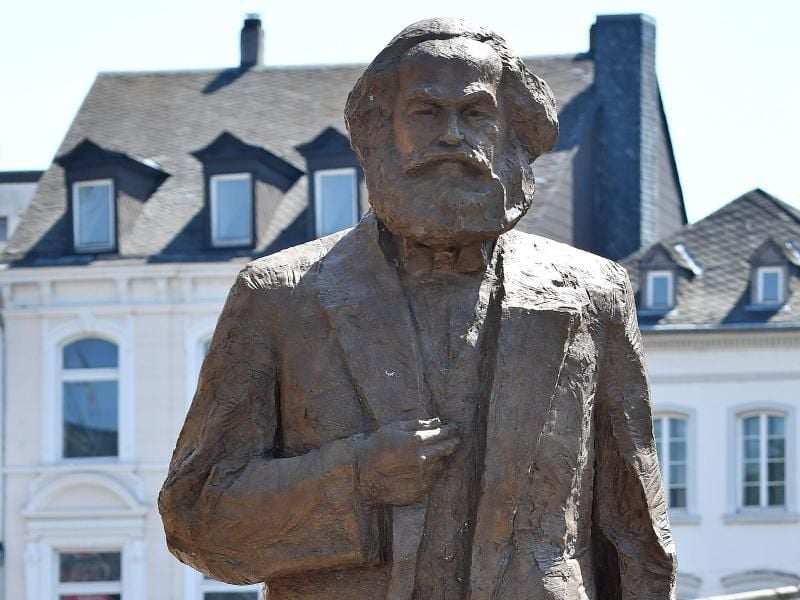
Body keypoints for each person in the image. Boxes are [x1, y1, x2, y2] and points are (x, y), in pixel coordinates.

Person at [159, 18, 676, 600]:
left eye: (475, 113)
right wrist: (355, 478)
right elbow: (195, 518)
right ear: (382, 130)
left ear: (512, 133)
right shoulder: (280, 295)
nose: (452, 135)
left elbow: (636, 536)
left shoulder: (592, 294)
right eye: (426, 112)